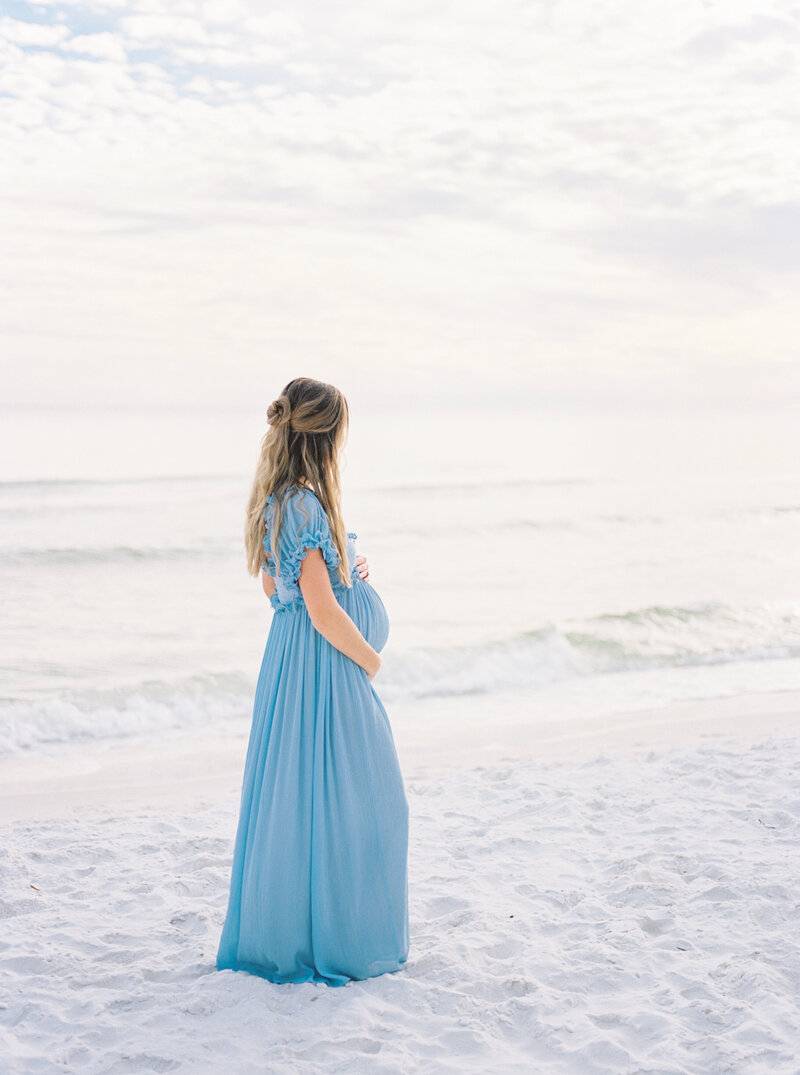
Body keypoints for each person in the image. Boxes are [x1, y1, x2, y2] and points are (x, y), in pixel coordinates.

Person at [216, 376, 410, 986]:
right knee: (367, 801)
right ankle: (344, 939)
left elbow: (278, 590)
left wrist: (344, 569)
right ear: (327, 437)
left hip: (290, 663)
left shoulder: (274, 501)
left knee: (297, 800)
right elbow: (322, 612)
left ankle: (300, 927)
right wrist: (370, 662)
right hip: (323, 667)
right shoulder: (305, 504)